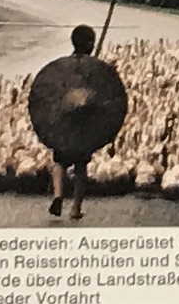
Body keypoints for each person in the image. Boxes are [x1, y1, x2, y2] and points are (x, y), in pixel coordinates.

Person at [27, 25, 124, 222]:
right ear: (90, 44)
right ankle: (75, 207)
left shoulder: (65, 68)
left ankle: (58, 195)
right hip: (84, 123)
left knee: (59, 162)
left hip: (64, 121)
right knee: (81, 167)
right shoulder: (93, 69)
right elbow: (104, 89)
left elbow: (53, 88)